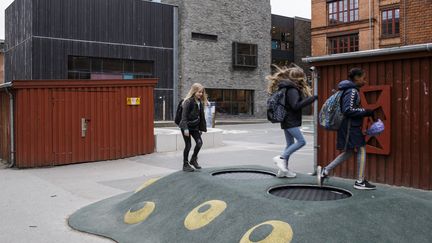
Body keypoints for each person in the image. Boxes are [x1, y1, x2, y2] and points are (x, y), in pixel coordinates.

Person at [318, 68, 376, 190]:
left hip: (347, 126)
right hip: (350, 126)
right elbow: (347, 110)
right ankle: (360, 181)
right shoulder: (352, 91)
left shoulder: (347, 89)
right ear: (356, 78)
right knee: (361, 149)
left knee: (349, 152)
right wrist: (366, 111)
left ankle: (325, 171)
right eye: (363, 78)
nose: (365, 81)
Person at [267, 65, 317, 178]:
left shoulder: (287, 88)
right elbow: (295, 106)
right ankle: (281, 158)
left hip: (286, 120)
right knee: (301, 141)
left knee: (290, 144)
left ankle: (283, 170)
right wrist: (313, 99)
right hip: (290, 120)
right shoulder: (292, 89)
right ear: (298, 77)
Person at [179, 83, 208, 172]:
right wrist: (186, 129)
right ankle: (185, 164)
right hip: (186, 126)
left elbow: (201, 117)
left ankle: (193, 159)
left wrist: (200, 129)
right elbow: (183, 117)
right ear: (194, 91)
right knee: (188, 145)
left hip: (195, 127)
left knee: (199, 143)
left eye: (202, 92)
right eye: (199, 92)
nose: (201, 94)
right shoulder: (188, 101)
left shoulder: (200, 102)